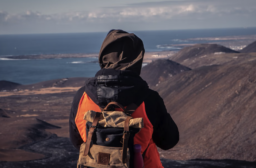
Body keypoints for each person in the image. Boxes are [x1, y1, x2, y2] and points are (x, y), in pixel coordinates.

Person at [69, 29, 179, 168]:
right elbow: (169, 141)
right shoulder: (149, 99)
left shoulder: (82, 97)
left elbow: (76, 142)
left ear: (103, 56)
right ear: (137, 59)